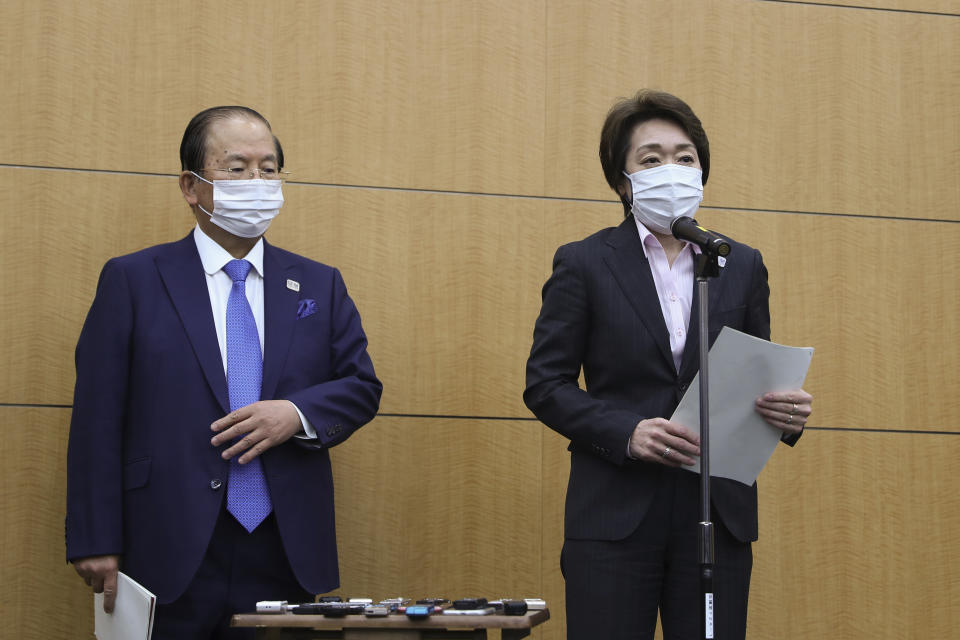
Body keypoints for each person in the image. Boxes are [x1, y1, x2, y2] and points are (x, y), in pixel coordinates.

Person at [65, 106, 382, 639]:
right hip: (167, 539)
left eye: (269, 168)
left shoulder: (318, 284)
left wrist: (297, 414)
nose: (257, 182)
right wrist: (95, 537)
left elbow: (361, 387)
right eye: (237, 168)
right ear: (191, 186)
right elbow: (98, 416)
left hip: (283, 543)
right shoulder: (134, 280)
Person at [523, 90, 813, 640]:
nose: (672, 170)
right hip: (614, 512)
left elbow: (755, 377)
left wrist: (785, 413)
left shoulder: (740, 263)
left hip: (715, 511)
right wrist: (625, 432)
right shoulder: (585, 263)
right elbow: (545, 384)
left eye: (685, 158)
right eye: (651, 159)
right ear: (622, 181)